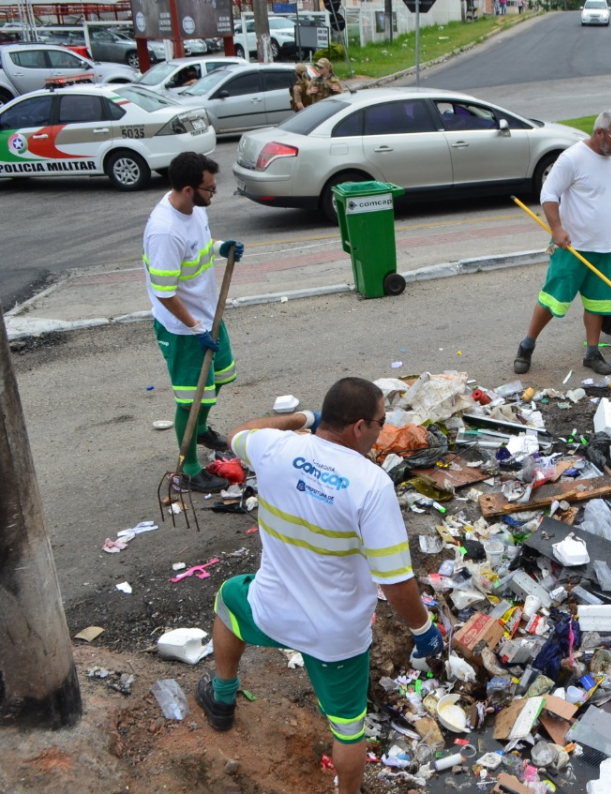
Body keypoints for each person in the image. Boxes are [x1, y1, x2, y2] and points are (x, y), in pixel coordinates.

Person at [195, 377, 445, 794]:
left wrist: (301, 417)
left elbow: (237, 434)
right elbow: (395, 580)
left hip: (270, 608)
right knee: (348, 727)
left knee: (228, 600)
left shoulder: (278, 448)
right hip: (336, 635)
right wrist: (424, 631)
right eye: (381, 423)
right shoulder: (371, 484)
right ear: (359, 426)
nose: (383, 431)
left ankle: (222, 698)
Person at [514, 110, 611, 377]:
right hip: (572, 248)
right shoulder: (572, 158)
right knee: (553, 299)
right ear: (600, 133)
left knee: (598, 303)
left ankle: (592, 352)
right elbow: (548, 194)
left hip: (605, 248)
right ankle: (526, 346)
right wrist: (557, 228)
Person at [143, 152, 244, 493]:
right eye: (209, 189)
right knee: (191, 398)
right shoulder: (164, 232)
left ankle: (199, 430)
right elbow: (164, 293)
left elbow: (199, 245)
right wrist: (196, 328)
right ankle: (188, 469)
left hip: (208, 313)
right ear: (188, 189)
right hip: (182, 326)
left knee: (218, 380)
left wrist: (220, 248)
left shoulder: (195, 209)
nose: (213, 194)